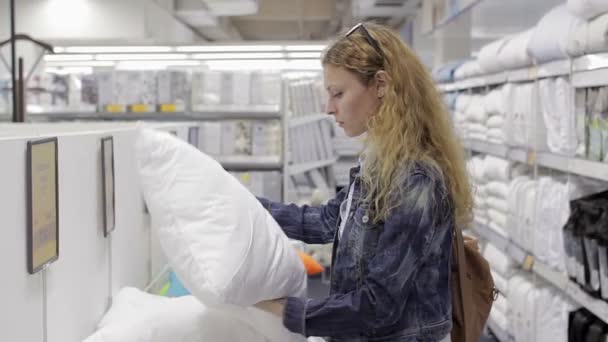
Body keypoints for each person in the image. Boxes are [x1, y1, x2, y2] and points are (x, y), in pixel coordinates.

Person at [255, 22, 473, 342]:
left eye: (338, 94)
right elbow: (328, 221)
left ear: (381, 84)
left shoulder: (415, 181)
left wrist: (287, 311)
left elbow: (378, 305)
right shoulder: (377, 164)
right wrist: (251, 206)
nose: (329, 108)